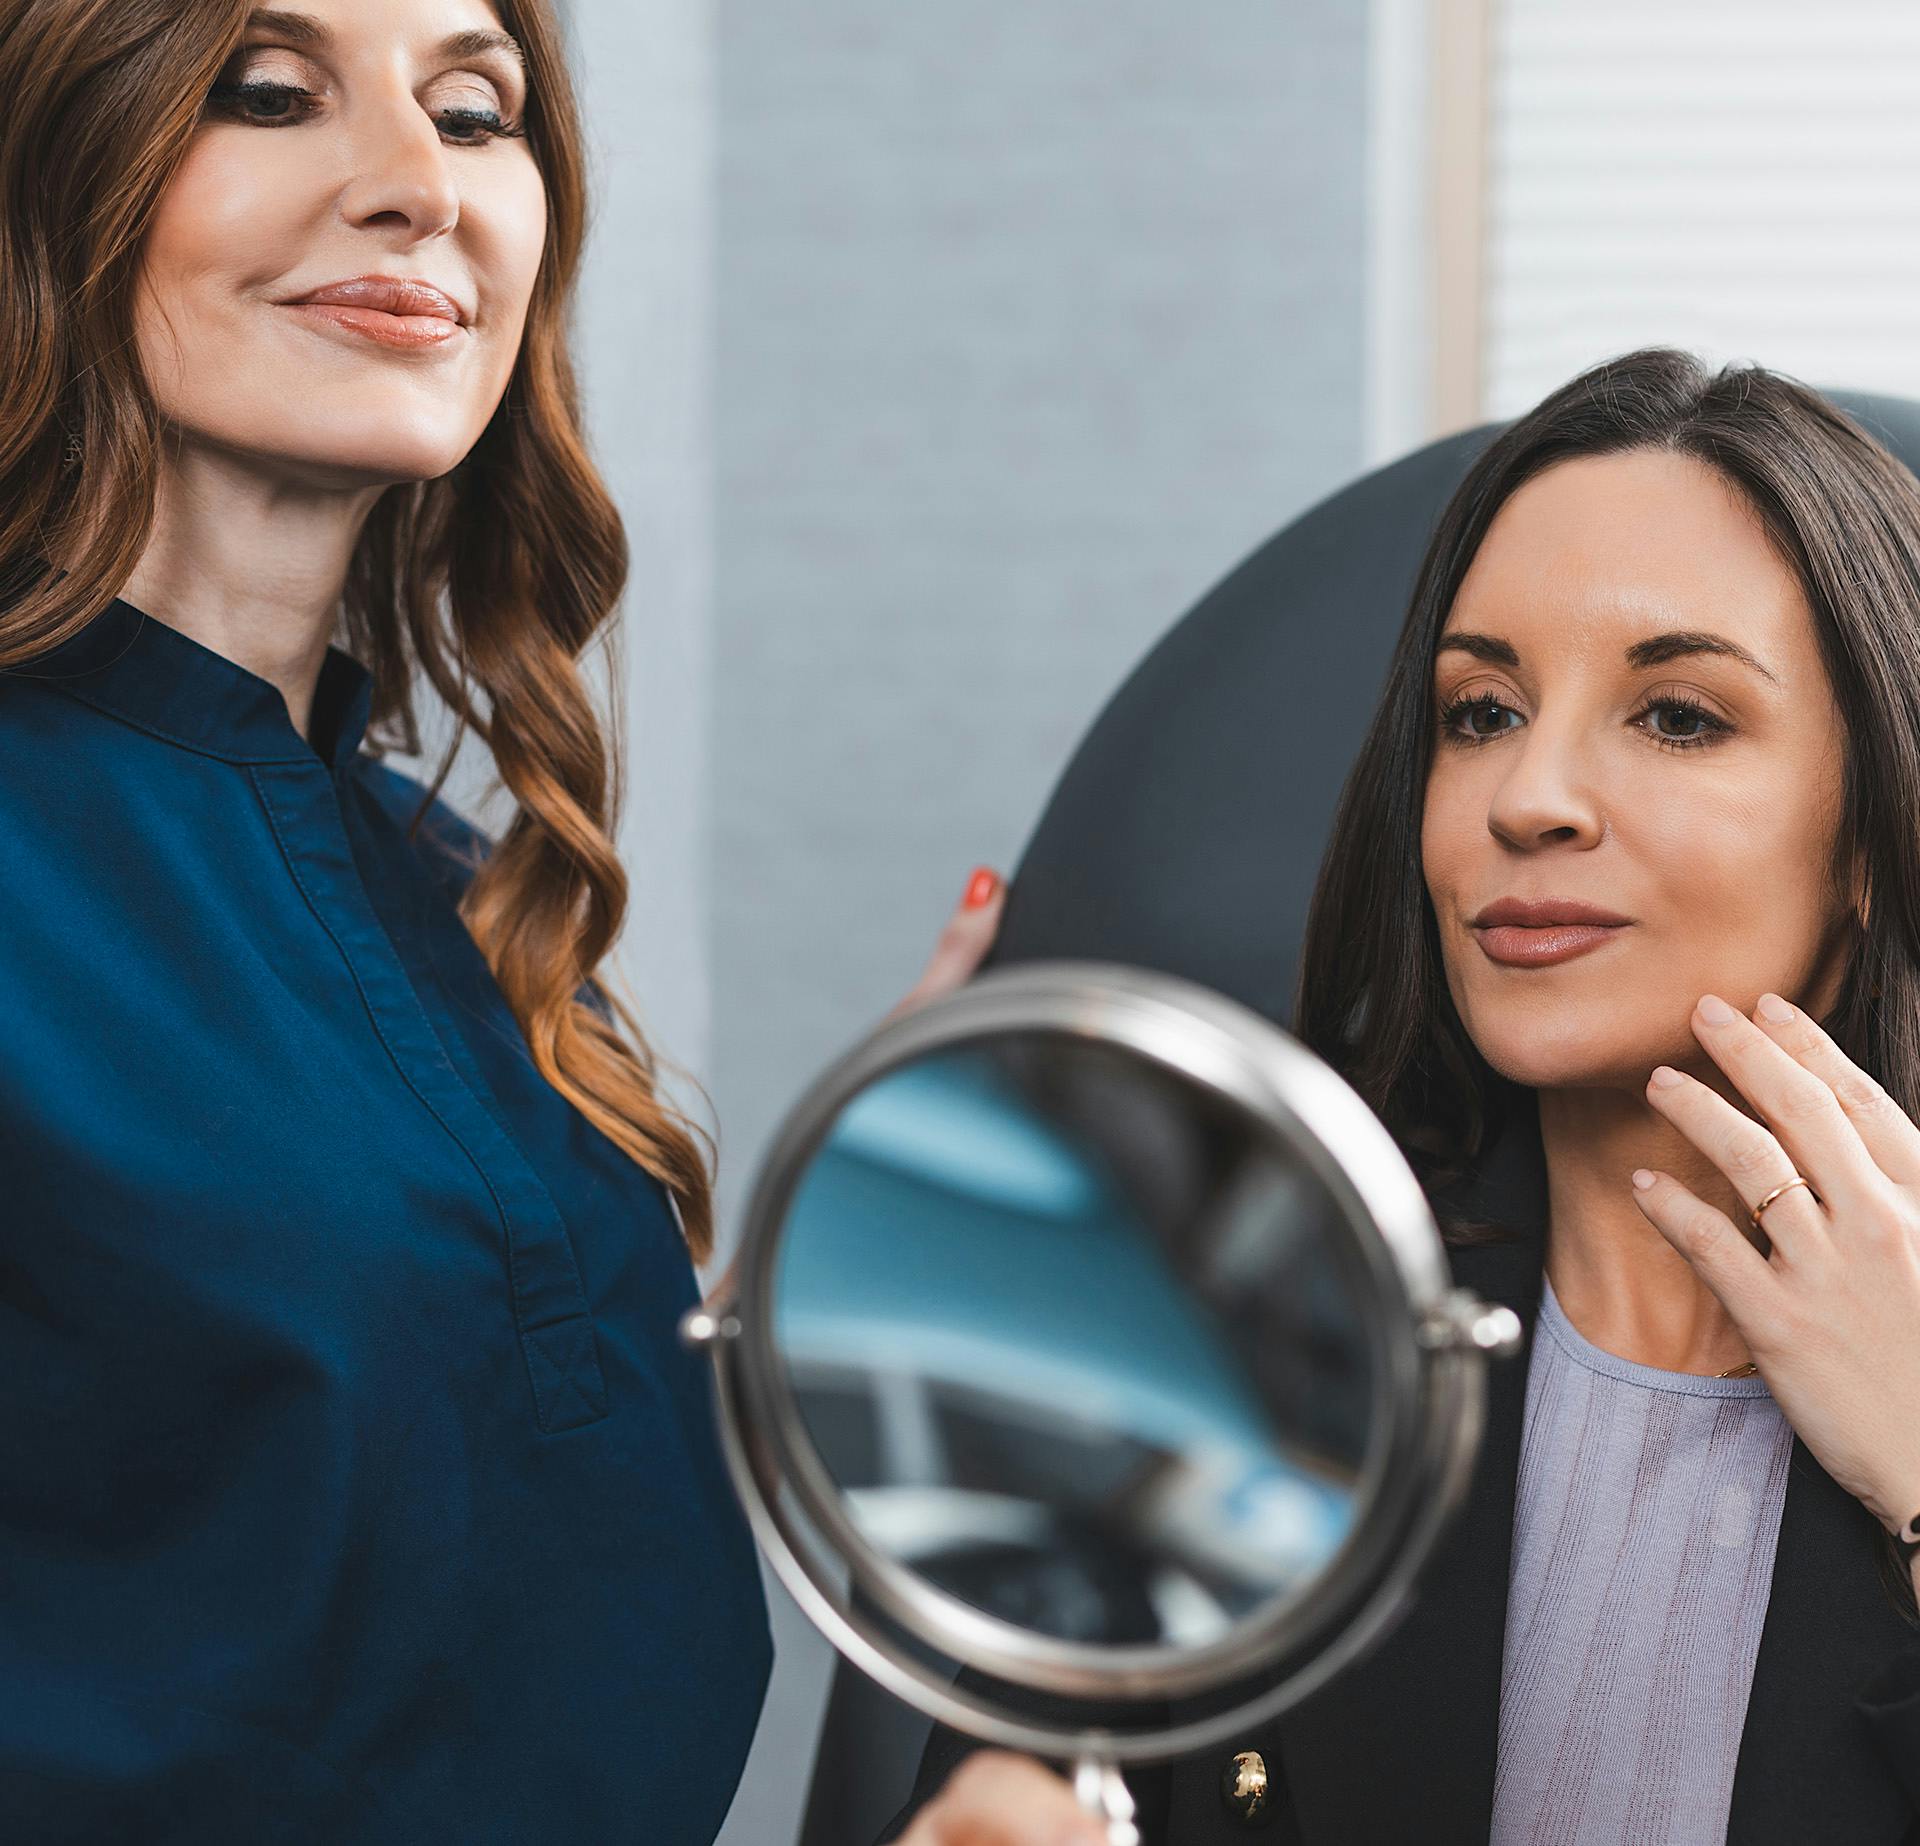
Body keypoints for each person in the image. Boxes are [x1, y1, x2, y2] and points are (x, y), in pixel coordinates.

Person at [0, 1, 1005, 1839]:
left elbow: (493, 1531)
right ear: (61, 164)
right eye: (270, 91)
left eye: (478, 112)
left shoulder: (459, 884)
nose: (419, 187)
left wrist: (848, 1238)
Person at [881, 350, 1920, 1842]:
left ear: (1877, 820)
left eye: (1678, 714)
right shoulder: (1239, 1345)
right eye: (1482, 711)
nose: (1527, 796)